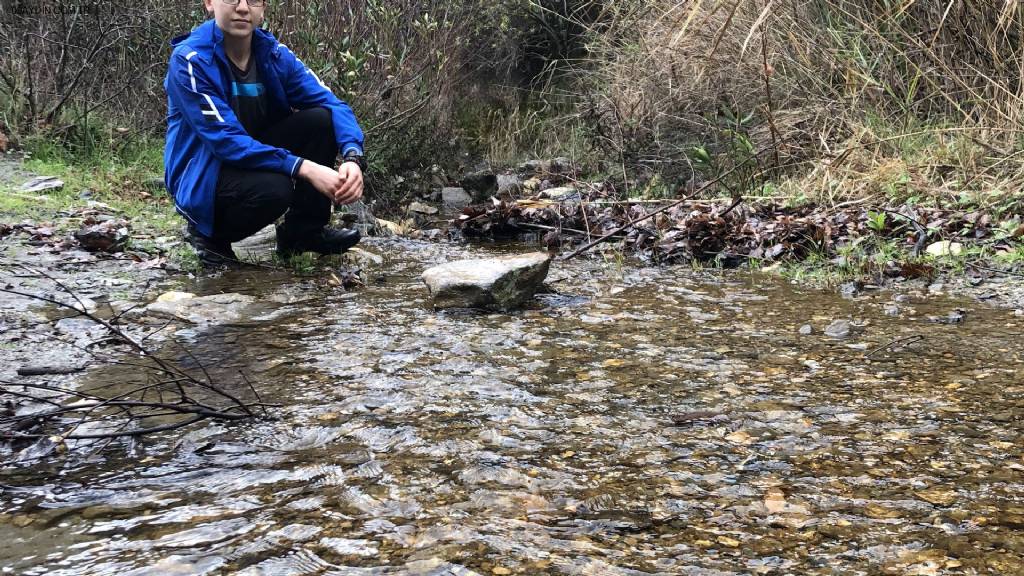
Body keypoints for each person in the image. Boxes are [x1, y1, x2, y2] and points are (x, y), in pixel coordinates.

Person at [164, 0, 367, 267]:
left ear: (264, 8)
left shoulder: (273, 54)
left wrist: (353, 156)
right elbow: (226, 141)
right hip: (205, 172)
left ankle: (302, 233)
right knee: (275, 190)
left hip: (254, 157)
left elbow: (333, 104)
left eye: (254, 1)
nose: (243, 8)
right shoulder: (190, 60)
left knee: (322, 120)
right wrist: (304, 167)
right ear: (210, 3)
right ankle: (208, 237)